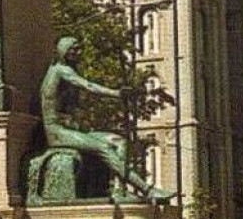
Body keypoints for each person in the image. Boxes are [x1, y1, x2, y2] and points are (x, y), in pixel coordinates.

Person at [39, 36, 171, 203]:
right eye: (75, 50)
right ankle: (147, 189)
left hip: (71, 130)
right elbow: (88, 86)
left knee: (119, 141)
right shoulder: (60, 70)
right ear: (64, 52)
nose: (79, 53)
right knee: (104, 148)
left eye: (79, 49)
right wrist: (116, 93)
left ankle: (120, 191)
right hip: (56, 132)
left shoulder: (66, 72)